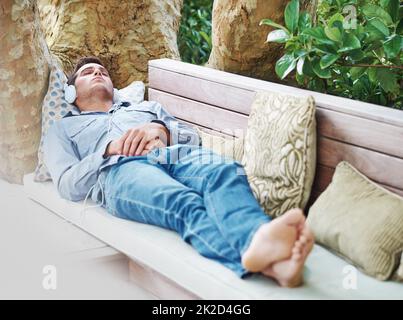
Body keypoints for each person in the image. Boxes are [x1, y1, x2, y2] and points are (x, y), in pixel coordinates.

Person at [44, 56, 314, 287]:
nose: (98, 74)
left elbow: (191, 137)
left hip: (173, 154)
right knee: (184, 202)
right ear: (71, 93)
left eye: (102, 71)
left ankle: (262, 242)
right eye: (88, 72)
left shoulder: (147, 108)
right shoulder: (62, 129)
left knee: (224, 171)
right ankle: (264, 262)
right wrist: (109, 149)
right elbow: (67, 184)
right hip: (120, 170)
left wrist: (161, 129)